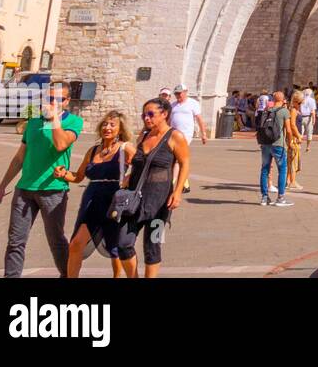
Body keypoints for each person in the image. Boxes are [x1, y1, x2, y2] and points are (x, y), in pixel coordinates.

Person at [0, 82, 82, 277]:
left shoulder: (74, 122)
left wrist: (54, 118)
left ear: (66, 102)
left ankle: (68, 275)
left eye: (57, 99)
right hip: (25, 189)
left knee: (55, 240)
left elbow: (60, 144)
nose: (51, 102)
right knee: (15, 241)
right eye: (48, 98)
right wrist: (1, 186)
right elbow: (19, 158)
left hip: (53, 190)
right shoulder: (33, 122)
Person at [54, 110, 135, 278]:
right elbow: (78, 177)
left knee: (117, 246)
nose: (107, 128)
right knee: (76, 244)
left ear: (120, 130)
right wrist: (63, 174)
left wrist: (129, 176)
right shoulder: (93, 151)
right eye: (105, 124)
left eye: (112, 125)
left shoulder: (125, 148)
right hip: (92, 200)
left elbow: (142, 165)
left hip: (115, 200)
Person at [116, 96, 190, 278]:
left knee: (153, 245)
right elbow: (139, 162)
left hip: (160, 202)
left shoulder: (175, 137)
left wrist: (178, 192)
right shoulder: (144, 135)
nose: (147, 118)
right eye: (144, 115)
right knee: (123, 243)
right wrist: (128, 175)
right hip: (135, 199)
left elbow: (185, 163)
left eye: (151, 114)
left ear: (164, 114)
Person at [256, 90, 292, 207]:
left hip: (265, 143)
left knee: (265, 169)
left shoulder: (267, 111)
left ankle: (264, 197)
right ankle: (280, 198)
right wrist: (290, 142)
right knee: (282, 169)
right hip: (278, 144)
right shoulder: (284, 111)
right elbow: (289, 129)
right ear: (283, 100)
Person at [168, 84, 206, 194]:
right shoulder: (173, 105)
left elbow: (199, 119)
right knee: (178, 159)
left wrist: (203, 134)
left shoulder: (193, 103)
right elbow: (169, 121)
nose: (177, 95)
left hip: (186, 135)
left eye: (179, 93)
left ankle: (172, 183)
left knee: (176, 159)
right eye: (176, 93)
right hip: (173, 134)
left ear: (186, 92)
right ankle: (185, 184)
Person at [286, 90, 304, 190]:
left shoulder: (296, 109)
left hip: (295, 137)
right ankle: (292, 181)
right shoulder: (293, 110)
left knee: (292, 160)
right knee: (294, 161)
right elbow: (292, 124)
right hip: (293, 138)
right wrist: (298, 136)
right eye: (300, 102)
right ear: (295, 101)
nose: (301, 104)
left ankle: (288, 181)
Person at [298, 87, 317, 152]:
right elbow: (313, 111)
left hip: (301, 117)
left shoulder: (301, 99)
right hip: (309, 117)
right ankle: (308, 147)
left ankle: (299, 145)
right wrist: (314, 119)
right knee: (309, 132)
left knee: (300, 132)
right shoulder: (312, 100)